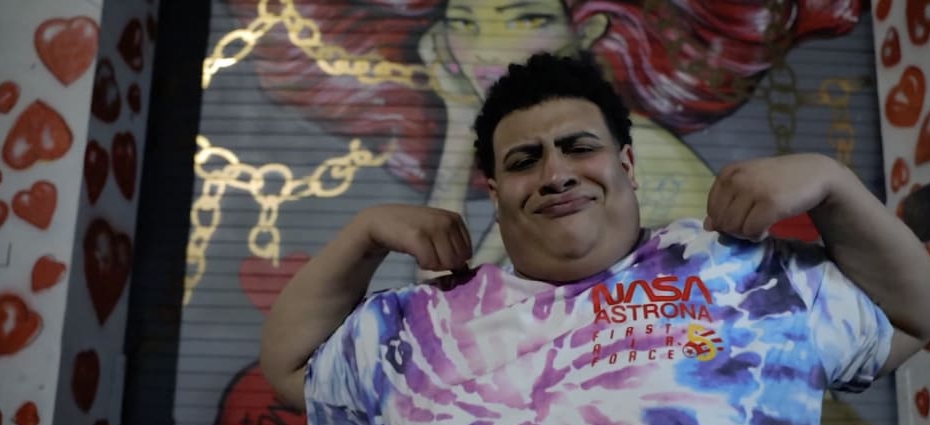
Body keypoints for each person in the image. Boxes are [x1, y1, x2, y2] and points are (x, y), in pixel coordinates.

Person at [260, 52, 930, 425]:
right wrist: (363, 234)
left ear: (628, 166)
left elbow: (906, 317)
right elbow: (291, 367)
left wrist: (832, 184)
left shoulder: (737, 274)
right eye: (524, 160)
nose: (555, 173)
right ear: (494, 193)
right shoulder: (421, 326)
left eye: (578, 148)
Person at [229, 0, 864, 271]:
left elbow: (449, 305)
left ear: (588, 32)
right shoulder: (530, 163)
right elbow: (447, 303)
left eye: (524, 18)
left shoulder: (626, 156)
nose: (489, 47)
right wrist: (460, 115)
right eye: (465, 22)